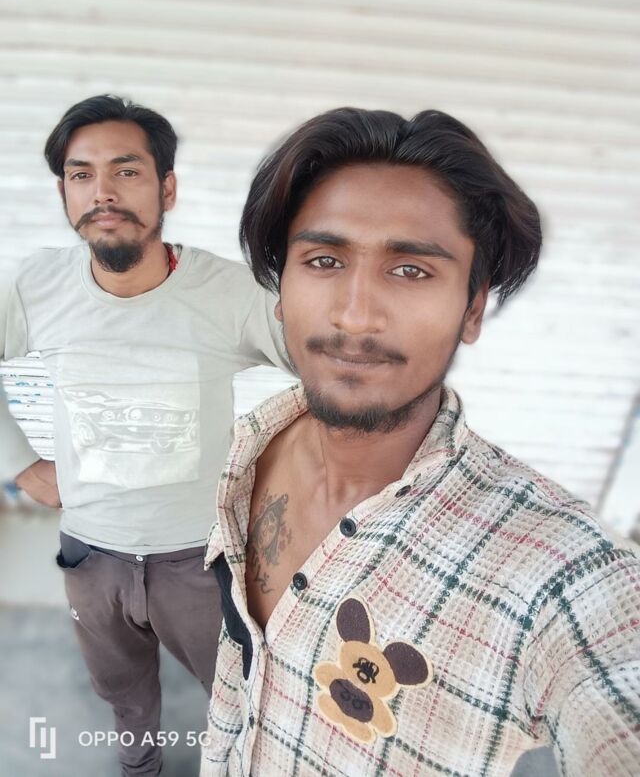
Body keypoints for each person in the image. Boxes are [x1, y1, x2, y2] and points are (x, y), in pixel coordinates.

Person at [200, 108, 640, 776]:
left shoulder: (555, 572)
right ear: (281, 291)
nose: (355, 315)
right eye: (323, 260)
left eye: (410, 270)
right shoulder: (253, 447)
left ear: (472, 308)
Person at [0, 95, 289, 777]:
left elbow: (332, 374)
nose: (102, 191)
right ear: (65, 193)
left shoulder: (228, 293)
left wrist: (286, 478)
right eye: (81, 174)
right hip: (91, 557)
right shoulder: (38, 285)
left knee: (243, 697)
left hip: (198, 560)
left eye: (126, 171)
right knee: (124, 694)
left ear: (167, 189)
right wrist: (17, 463)